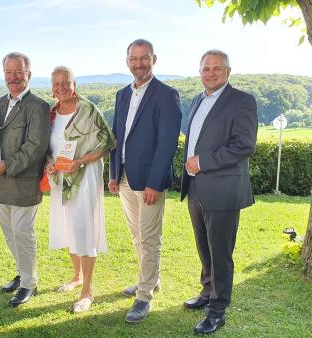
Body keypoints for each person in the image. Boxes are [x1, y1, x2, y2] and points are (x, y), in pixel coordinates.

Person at [180, 49, 258, 334]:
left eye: (216, 68)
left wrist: (202, 162)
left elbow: (244, 145)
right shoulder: (198, 100)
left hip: (223, 190)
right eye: (205, 68)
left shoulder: (242, 102)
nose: (210, 73)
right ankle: (207, 292)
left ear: (228, 70)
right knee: (204, 247)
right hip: (197, 188)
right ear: (200, 71)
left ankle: (218, 309)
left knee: (221, 253)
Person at [108, 39, 182, 323]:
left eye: (144, 58)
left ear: (154, 59)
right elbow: (117, 135)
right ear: (127, 61)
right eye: (133, 58)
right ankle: (151, 280)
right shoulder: (122, 94)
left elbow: (167, 144)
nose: (138, 63)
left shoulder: (167, 95)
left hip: (150, 181)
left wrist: (155, 182)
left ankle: (143, 297)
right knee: (137, 235)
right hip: (126, 176)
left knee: (149, 238)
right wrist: (114, 173)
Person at [45, 66, 115, 313]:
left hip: (84, 178)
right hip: (61, 180)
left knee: (84, 229)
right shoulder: (51, 113)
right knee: (67, 227)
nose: (61, 87)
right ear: (51, 88)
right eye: (56, 83)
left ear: (75, 85)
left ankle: (87, 291)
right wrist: (49, 163)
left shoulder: (88, 110)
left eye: (66, 82)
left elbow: (108, 142)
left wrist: (81, 161)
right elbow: (48, 147)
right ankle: (76, 277)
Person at [0, 52, 50, 307]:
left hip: (24, 182)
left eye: (18, 72)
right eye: (8, 73)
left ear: (28, 75)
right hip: (1, 182)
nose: (13, 77)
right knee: (10, 232)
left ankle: (28, 284)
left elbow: (35, 146)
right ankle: (23, 272)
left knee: (23, 233)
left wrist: (7, 166)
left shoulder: (38, 106)